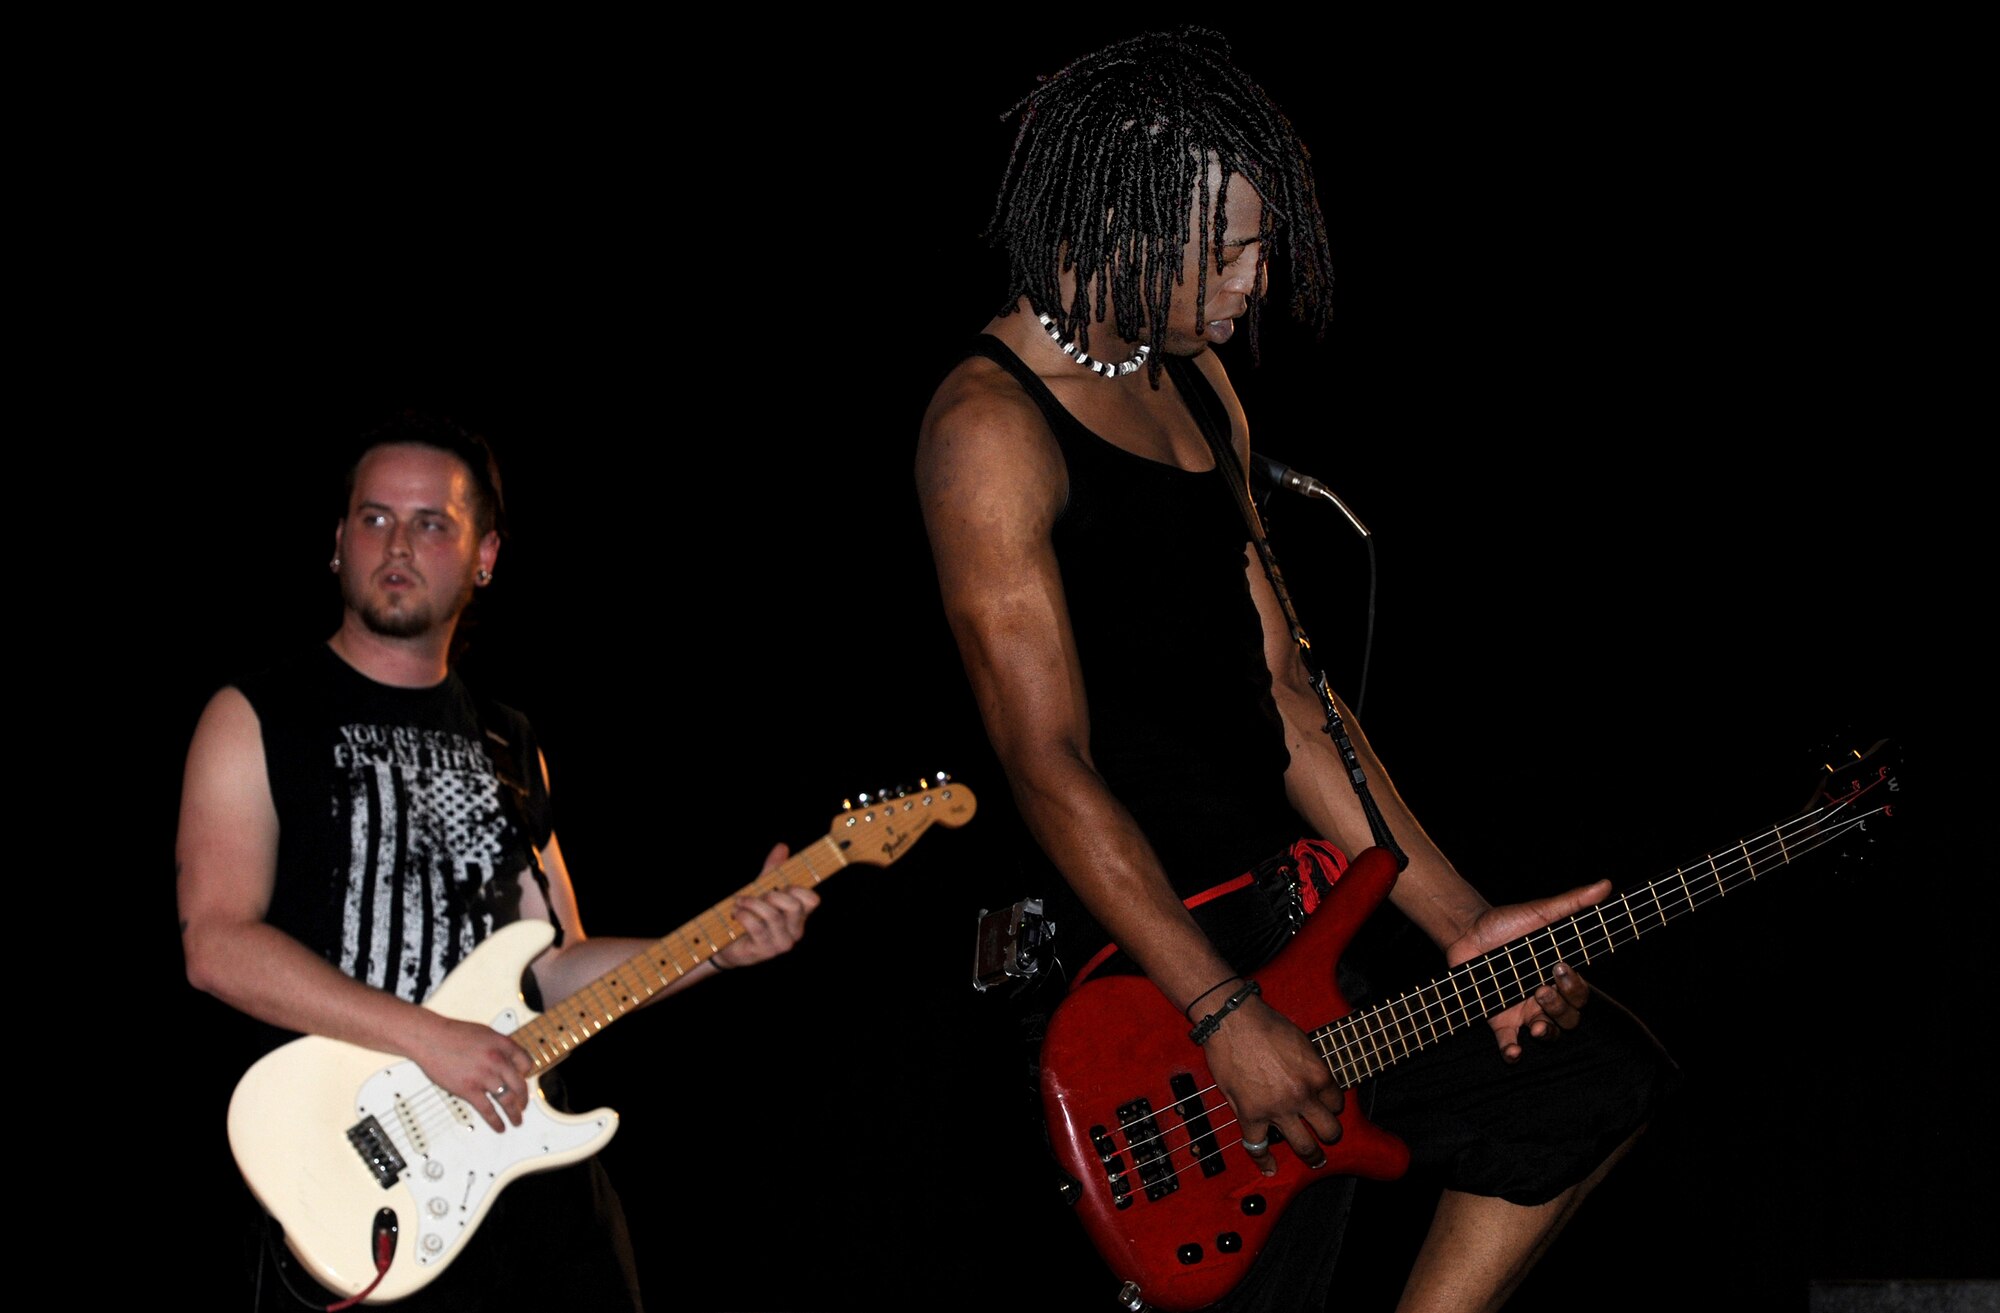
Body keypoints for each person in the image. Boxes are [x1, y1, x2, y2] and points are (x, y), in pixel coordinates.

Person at [914, 28, 1679, 1313]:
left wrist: (1460, 925)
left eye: (1257, 247)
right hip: (1134, 993)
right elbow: (1045, 760)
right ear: (1118, 222)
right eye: (1225, 253)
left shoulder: (1201, 384)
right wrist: (1217, 1008)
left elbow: (1289, 696)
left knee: (1589, 1074)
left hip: (1286, 939)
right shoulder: (986, 429)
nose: (1252, 284)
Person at [176, 412, 821, 1312]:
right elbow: (217, 944)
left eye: (432, 522)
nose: (398, 542)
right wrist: (428, 1038)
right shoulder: (256, 715)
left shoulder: (509, 744)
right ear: (337, 543)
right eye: (373, 518)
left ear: (483, 556)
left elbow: (554, 965)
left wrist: (715, 947)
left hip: (523, 1180)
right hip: (358, 1178)